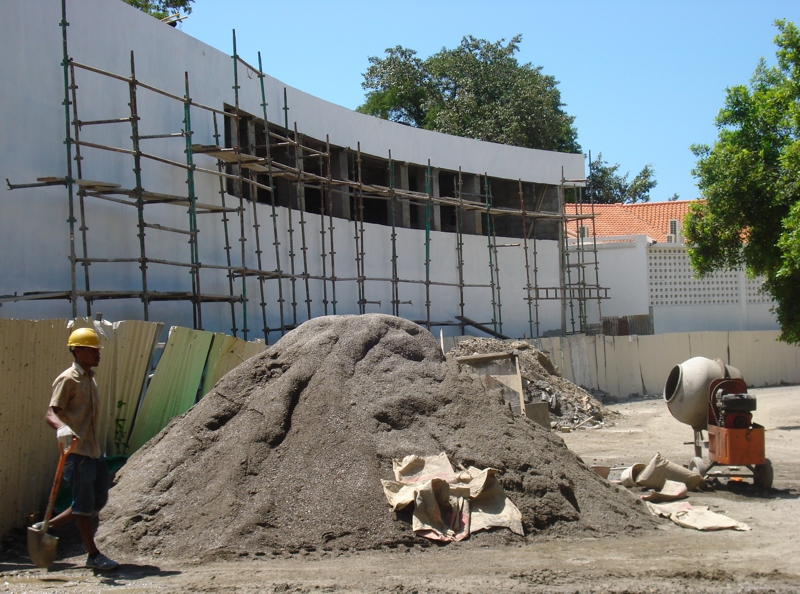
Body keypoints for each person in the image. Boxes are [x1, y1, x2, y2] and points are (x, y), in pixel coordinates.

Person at [38, 327, 119, 571]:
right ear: (78, 350)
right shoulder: (68, 379)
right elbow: (51, 413)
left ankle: (48, 526)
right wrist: (62, 428)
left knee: (97, 501)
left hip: (94, 452)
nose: (98, 354)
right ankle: (93, 555)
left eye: (98, 350)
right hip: (77, 453)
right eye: (93, 350)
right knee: (84, 507)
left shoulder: (90, 378)